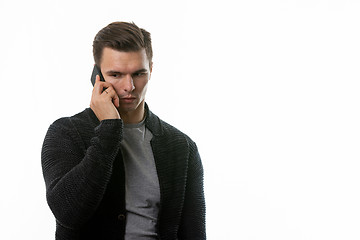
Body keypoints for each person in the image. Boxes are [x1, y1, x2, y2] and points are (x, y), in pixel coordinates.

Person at [41, 21, 206, 240]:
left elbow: (194, 233)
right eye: (116, 75)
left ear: (151, 70)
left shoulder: (181, 147)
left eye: (139, 73)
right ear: (97, 75)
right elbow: (68, 213)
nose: (129, 86)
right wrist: (108, 129)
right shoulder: (66, 133)